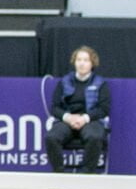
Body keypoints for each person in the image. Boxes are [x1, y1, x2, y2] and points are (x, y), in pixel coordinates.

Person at [46, 45, 111, 173]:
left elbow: (103, 109)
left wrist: (84, 118)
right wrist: (68, 117)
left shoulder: (100, 83)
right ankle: (59, 174)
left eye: (86, 60)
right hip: (68, 120)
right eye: (79, 60)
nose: (82, 63)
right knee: (51, 137)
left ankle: (86, 175)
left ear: (92, 63)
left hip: (90, 120)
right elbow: (55, 108)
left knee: (95, 137)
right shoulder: (64, 82)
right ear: (74, 62)